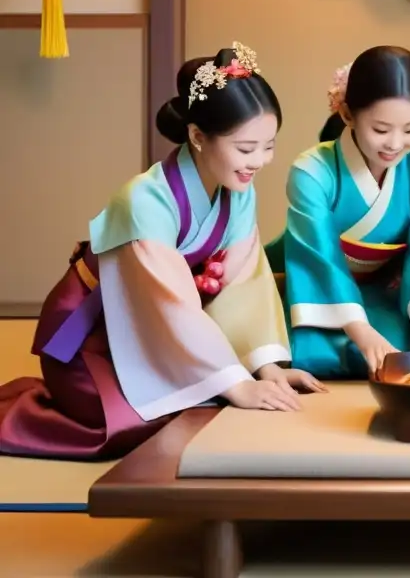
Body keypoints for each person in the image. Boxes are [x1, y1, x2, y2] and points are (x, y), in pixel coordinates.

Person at [0, 43, 325, 462]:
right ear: (197, 136)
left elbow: (244, 285)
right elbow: (171, 305)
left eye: (269, 145)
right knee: (131, 424)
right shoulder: (144, 202)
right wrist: (236, 383)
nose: (259, 161)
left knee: (200, 407)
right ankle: (17, 417)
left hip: (160, 332)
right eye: (246, 148)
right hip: (94, 334)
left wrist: (265, 368)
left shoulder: (237, 190)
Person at [264, 45, 410, 379]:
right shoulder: (313, 171)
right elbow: (318, 256)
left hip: (382, 290)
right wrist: (360, 331)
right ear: (348, 115)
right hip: (311, 287)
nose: (394, 143)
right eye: (380, 129)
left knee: (399, 352)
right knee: (310, 354)